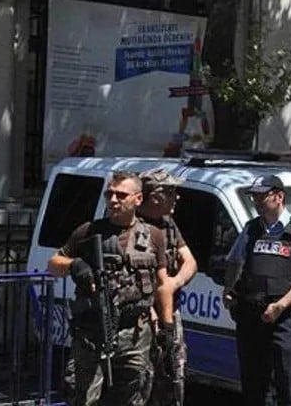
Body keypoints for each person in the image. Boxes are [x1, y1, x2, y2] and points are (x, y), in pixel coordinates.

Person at [47, 171, 170, 406]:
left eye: (121, 195)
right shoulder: (89, 231)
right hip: (93, 332)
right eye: (109, 194)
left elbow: (162, 283)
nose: (113, 200)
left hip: (135, 335)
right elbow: (53, 264)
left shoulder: (153, 236)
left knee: (133, 396)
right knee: (84, 398)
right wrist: (75, 265)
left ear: (138, 199)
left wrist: (166, 326)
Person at [223, 175, 291, 406]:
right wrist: (228, 289)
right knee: (254, 381)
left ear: (279, 197)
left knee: (289, 380)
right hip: (250, 315)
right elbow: (235, 261)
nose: (256, 202)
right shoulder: (251, 229)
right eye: (254, 197)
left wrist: (280, 306)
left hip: (282, 317)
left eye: (261, 196)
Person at [138, 169, 198, 406]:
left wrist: (175, 283)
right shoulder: (133, 227)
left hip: (170, 312)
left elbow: (190, 262)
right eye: (171, 192)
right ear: (155, 197)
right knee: (143, 379)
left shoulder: (168, 224)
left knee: (174, 373)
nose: (177, 197)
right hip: (143, 316)